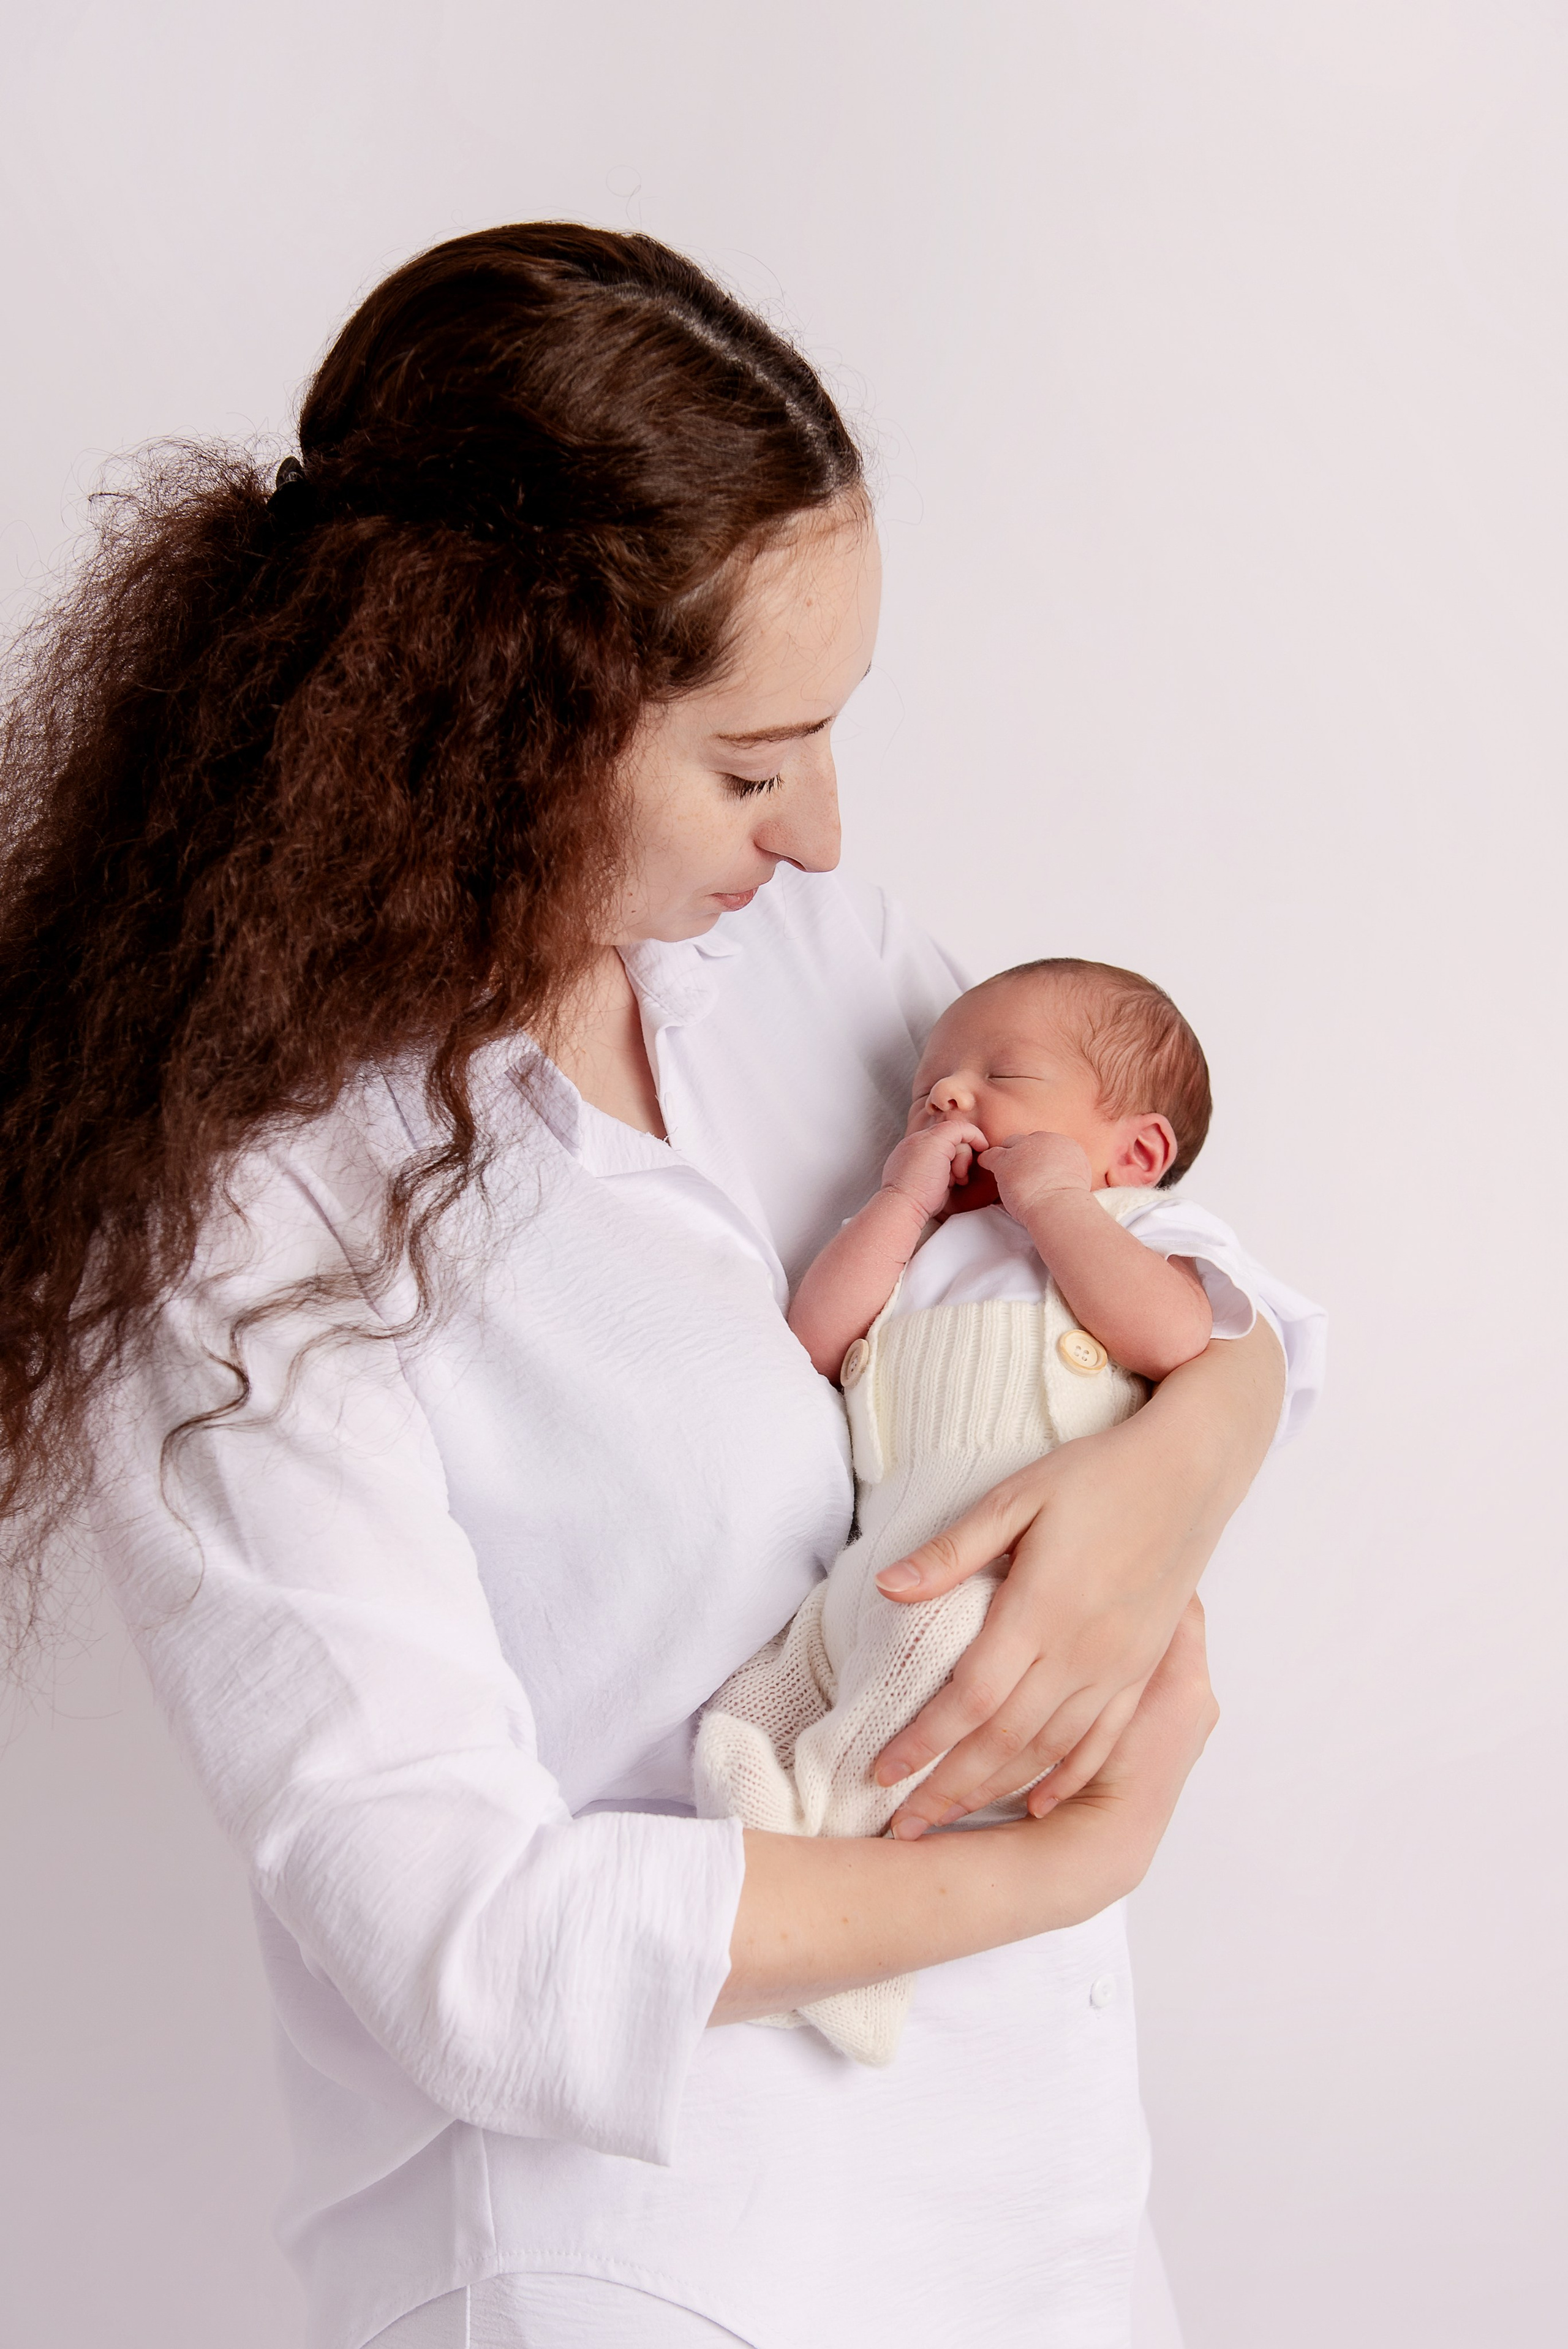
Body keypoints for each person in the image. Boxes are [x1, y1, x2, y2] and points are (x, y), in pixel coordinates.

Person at [0, 225, 1320, 2348]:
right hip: (655, 2265)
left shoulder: (812, 971)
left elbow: (1167, 1248)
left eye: (831, 732)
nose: (816, 831)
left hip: (1045, 2204)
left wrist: (1196, 1455)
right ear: (481, 723)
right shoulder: (255, 1232)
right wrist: (1058, 1866)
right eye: (747, 759)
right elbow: (462, 1941)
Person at [695, 957, 1325, 2066]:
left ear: (1135, 1151)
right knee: (756, 1705)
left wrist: (1057, 1203)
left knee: (931, 1655)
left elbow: (1177, 1343)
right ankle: (787, 1866)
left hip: (1012, 1570)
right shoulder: (920, 1242)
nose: (949, 1097)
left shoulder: (1151, 1231)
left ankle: (850, 1927)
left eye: (1006, 1077)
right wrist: (899, 1203)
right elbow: (815, 1341)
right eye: (930, 1086)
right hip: (877, 1561)